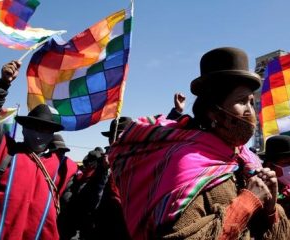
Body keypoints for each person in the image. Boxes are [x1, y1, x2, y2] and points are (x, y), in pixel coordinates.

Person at [109, 47, 281, 239]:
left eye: (251, 102)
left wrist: (269, 207)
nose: (250, 111)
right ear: (213, 112)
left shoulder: (246, 159)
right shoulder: (185, 161)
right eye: (241, 101)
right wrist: (247, 202)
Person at [0, 61, 78, 239]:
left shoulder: (63, 167)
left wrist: (102, 174)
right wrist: (3, 85)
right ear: (23, 128)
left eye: (45, 130)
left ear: (52, 134)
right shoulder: (5, 149)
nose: (39, 135)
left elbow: (76, 208)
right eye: (34, 127)